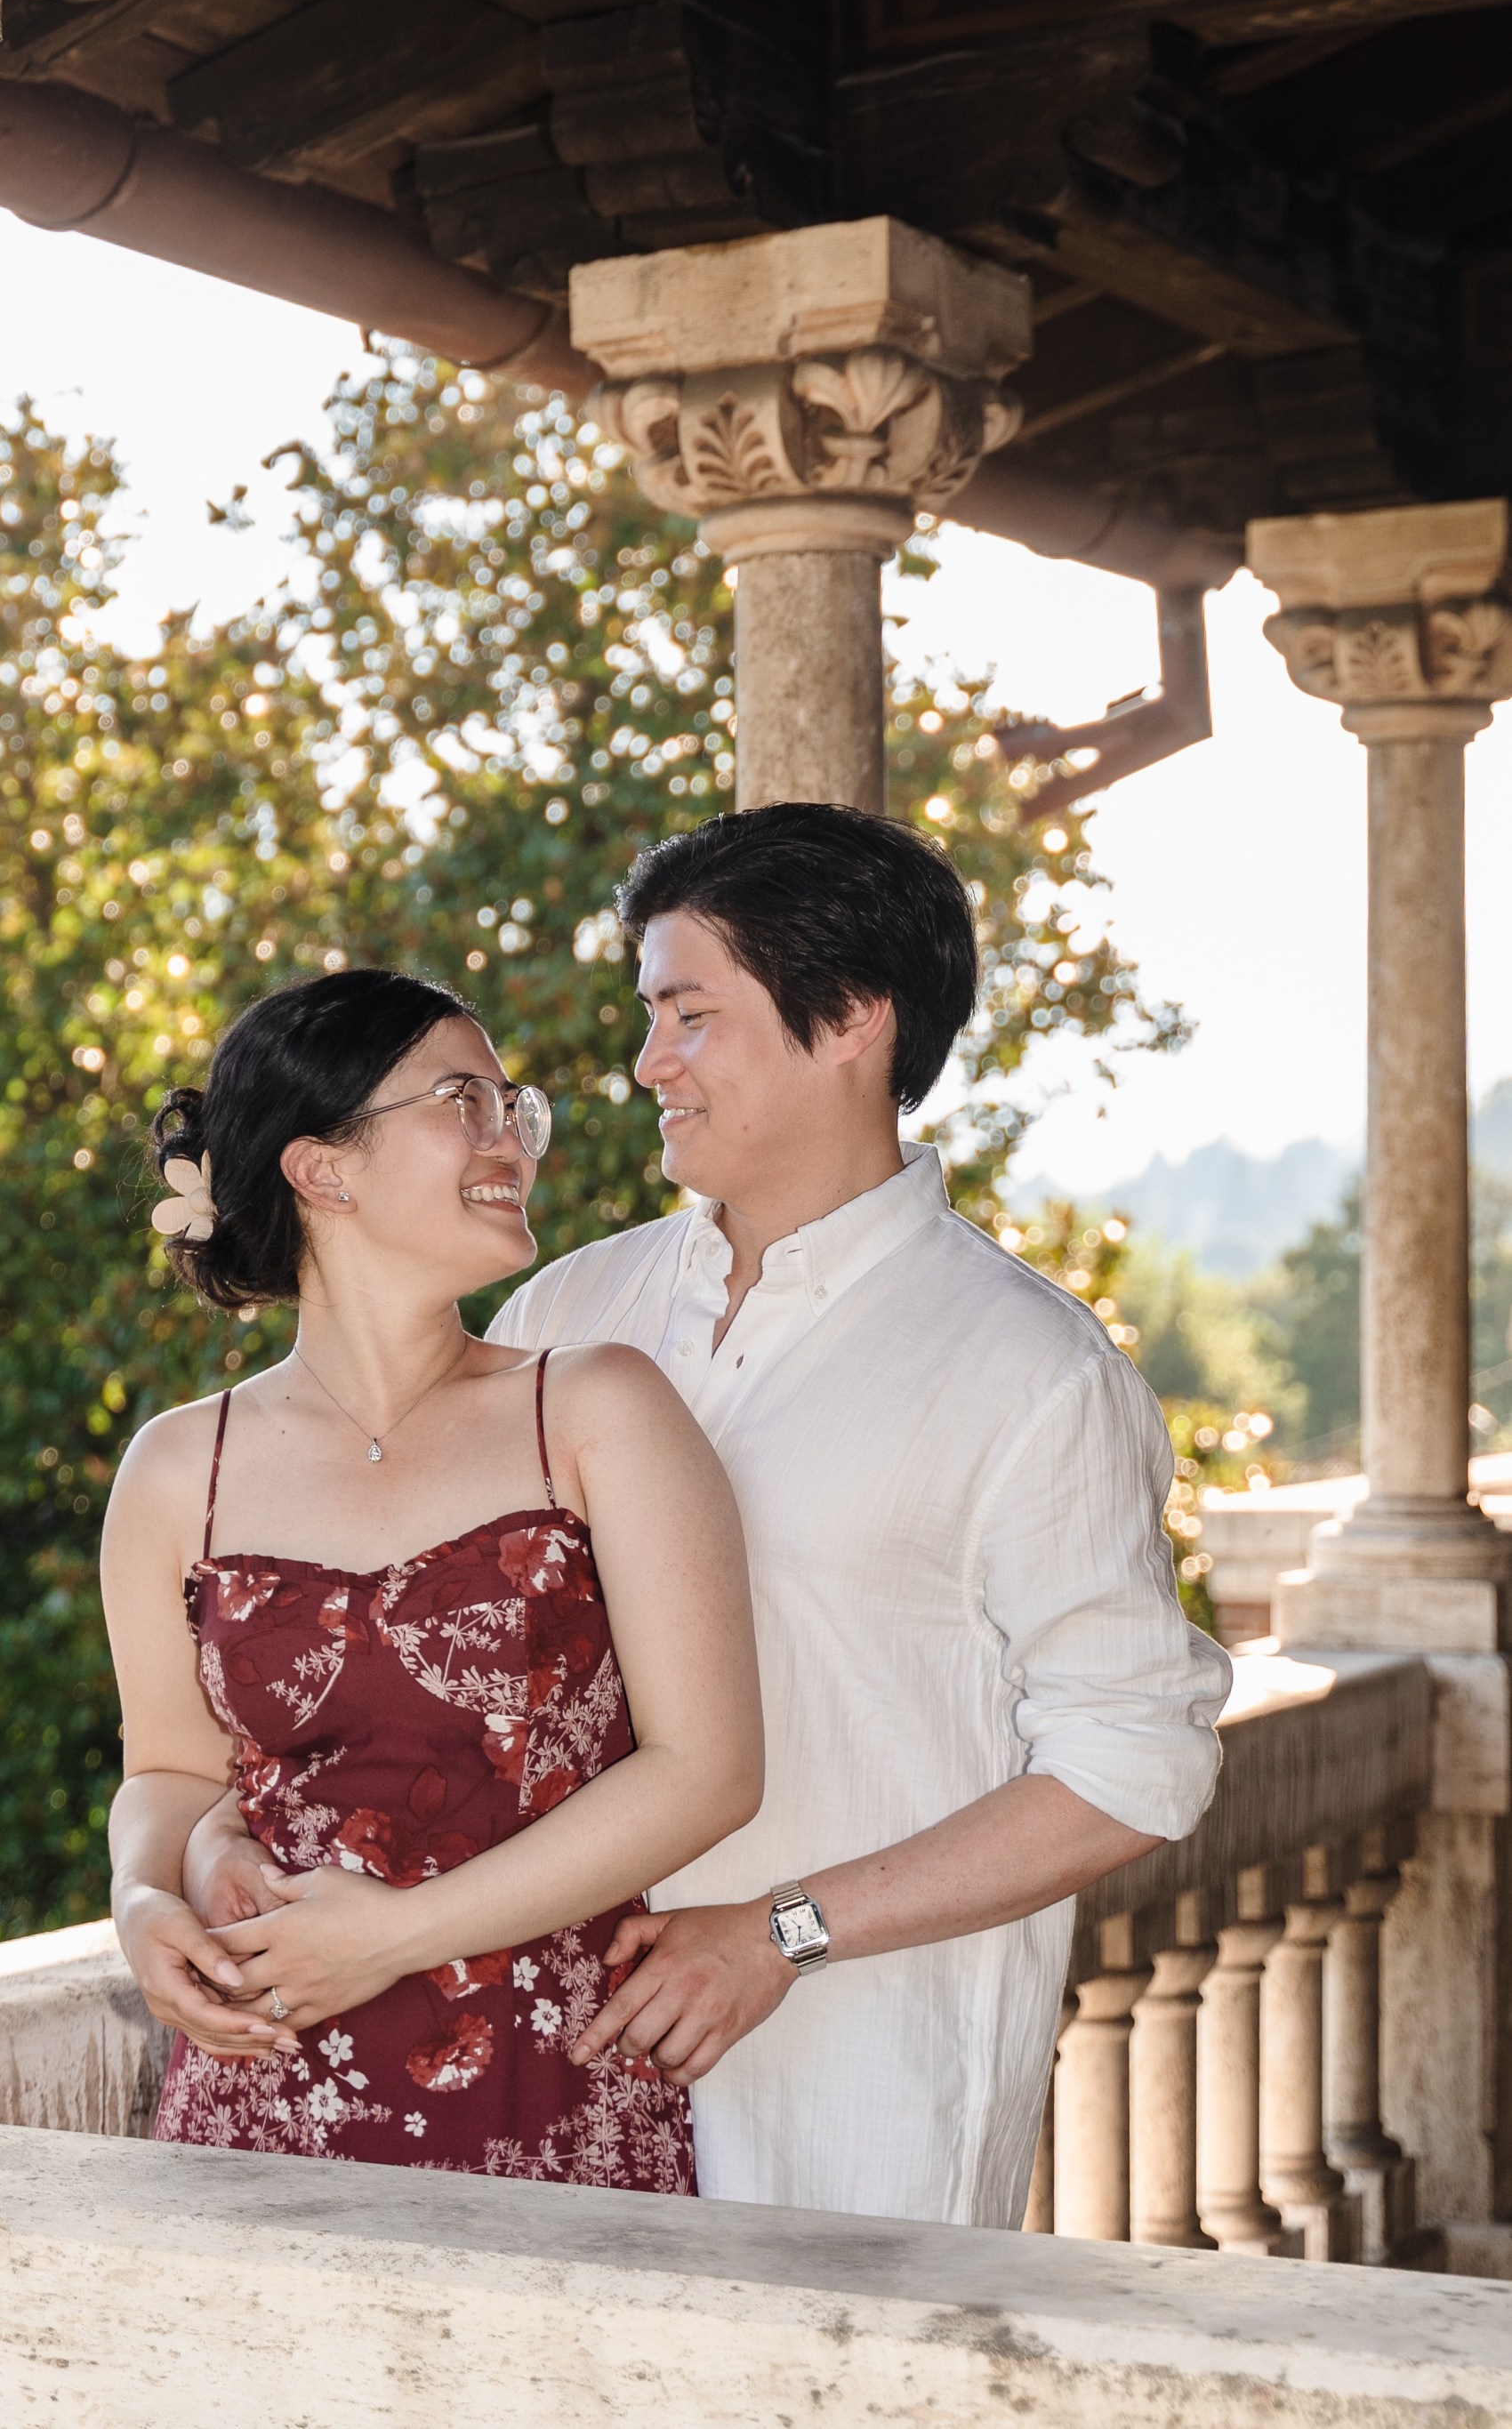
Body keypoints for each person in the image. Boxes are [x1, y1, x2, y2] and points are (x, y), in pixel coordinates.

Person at [189, 807, 1231, 2229]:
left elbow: (1134, 1764)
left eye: (689, 1013)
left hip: (852, 2102)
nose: (645, 1063)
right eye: (646, 1014)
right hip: (538, 2088)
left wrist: (783, 1932)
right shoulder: (571, 1309)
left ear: (854, 1016)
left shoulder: (1030, 1371)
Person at [99, 964, 763, 2189]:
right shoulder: (176, 1469)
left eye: (516, 1107)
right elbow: (170, 1772)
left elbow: (709, 1770)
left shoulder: (598, 1406)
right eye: (465, 1098)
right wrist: (151, 1893)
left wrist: (396, 1938)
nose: (511, 1136)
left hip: (546, 2083)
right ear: (323, 1167)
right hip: (264, 2090)